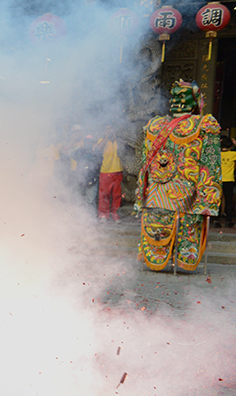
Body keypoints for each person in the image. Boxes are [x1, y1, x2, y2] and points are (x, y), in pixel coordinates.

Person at [135, 80, 221, 271]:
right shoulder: (156, 125)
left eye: (182, 96)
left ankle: (180, 257)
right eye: (174, 96)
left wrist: (206, 199)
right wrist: (142, 190)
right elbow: (145, 162)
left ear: (195, 100)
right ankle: (157, 256)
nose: (175, 100)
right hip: (158, 187)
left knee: (186, 225)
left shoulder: (204, 125)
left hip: (185, 188)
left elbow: (210, 163)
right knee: (156, 224)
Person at [94, 125, 124, 222]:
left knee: (117, 195)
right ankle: (103, 215)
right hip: (105, 171)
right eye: (107, 129)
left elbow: (124, 150)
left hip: (118, 170)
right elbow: (97, 149)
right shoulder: (102, 141)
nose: (109, 130)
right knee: (104, 195)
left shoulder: (118, 141)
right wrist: (106, 138)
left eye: (111, 128)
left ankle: (115, 215)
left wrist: (116, 138)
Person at [217, 135, 236, 228]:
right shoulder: (233, 154)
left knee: (217, 200)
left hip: (218, 180)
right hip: (229, 180)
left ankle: (216, 220)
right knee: (229, 201)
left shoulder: (217, 154)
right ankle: (228, 221)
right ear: (231, 146)